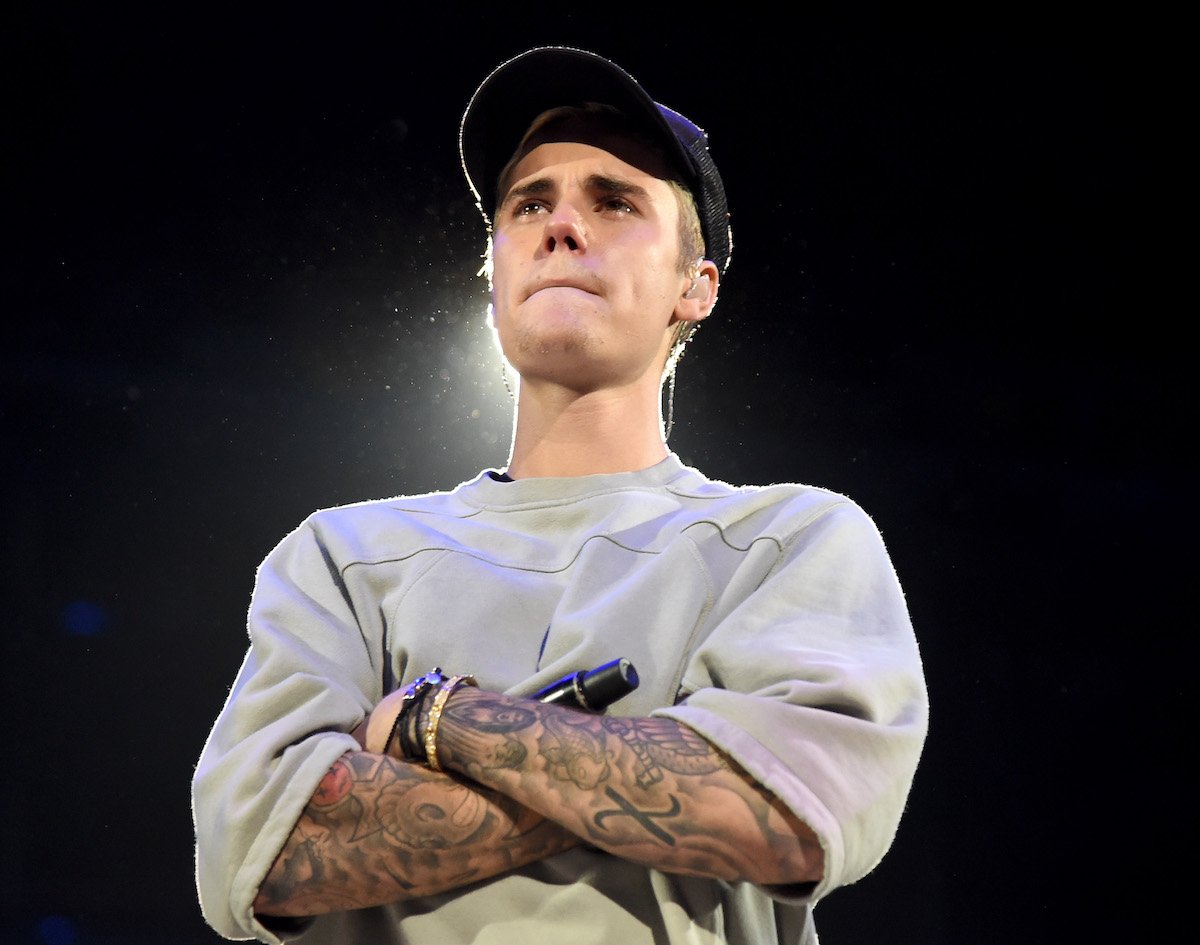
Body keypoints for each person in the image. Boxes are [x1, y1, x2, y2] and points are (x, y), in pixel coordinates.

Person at [192, 46, 929, 945]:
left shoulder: (789, 539)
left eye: (614, 201)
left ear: (694, 288)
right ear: (493, 274)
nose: (561, 225)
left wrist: (439, 718)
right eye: (529, 202)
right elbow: (266, 852)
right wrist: (655, 756)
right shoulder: (341, 557)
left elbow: (775, 815)